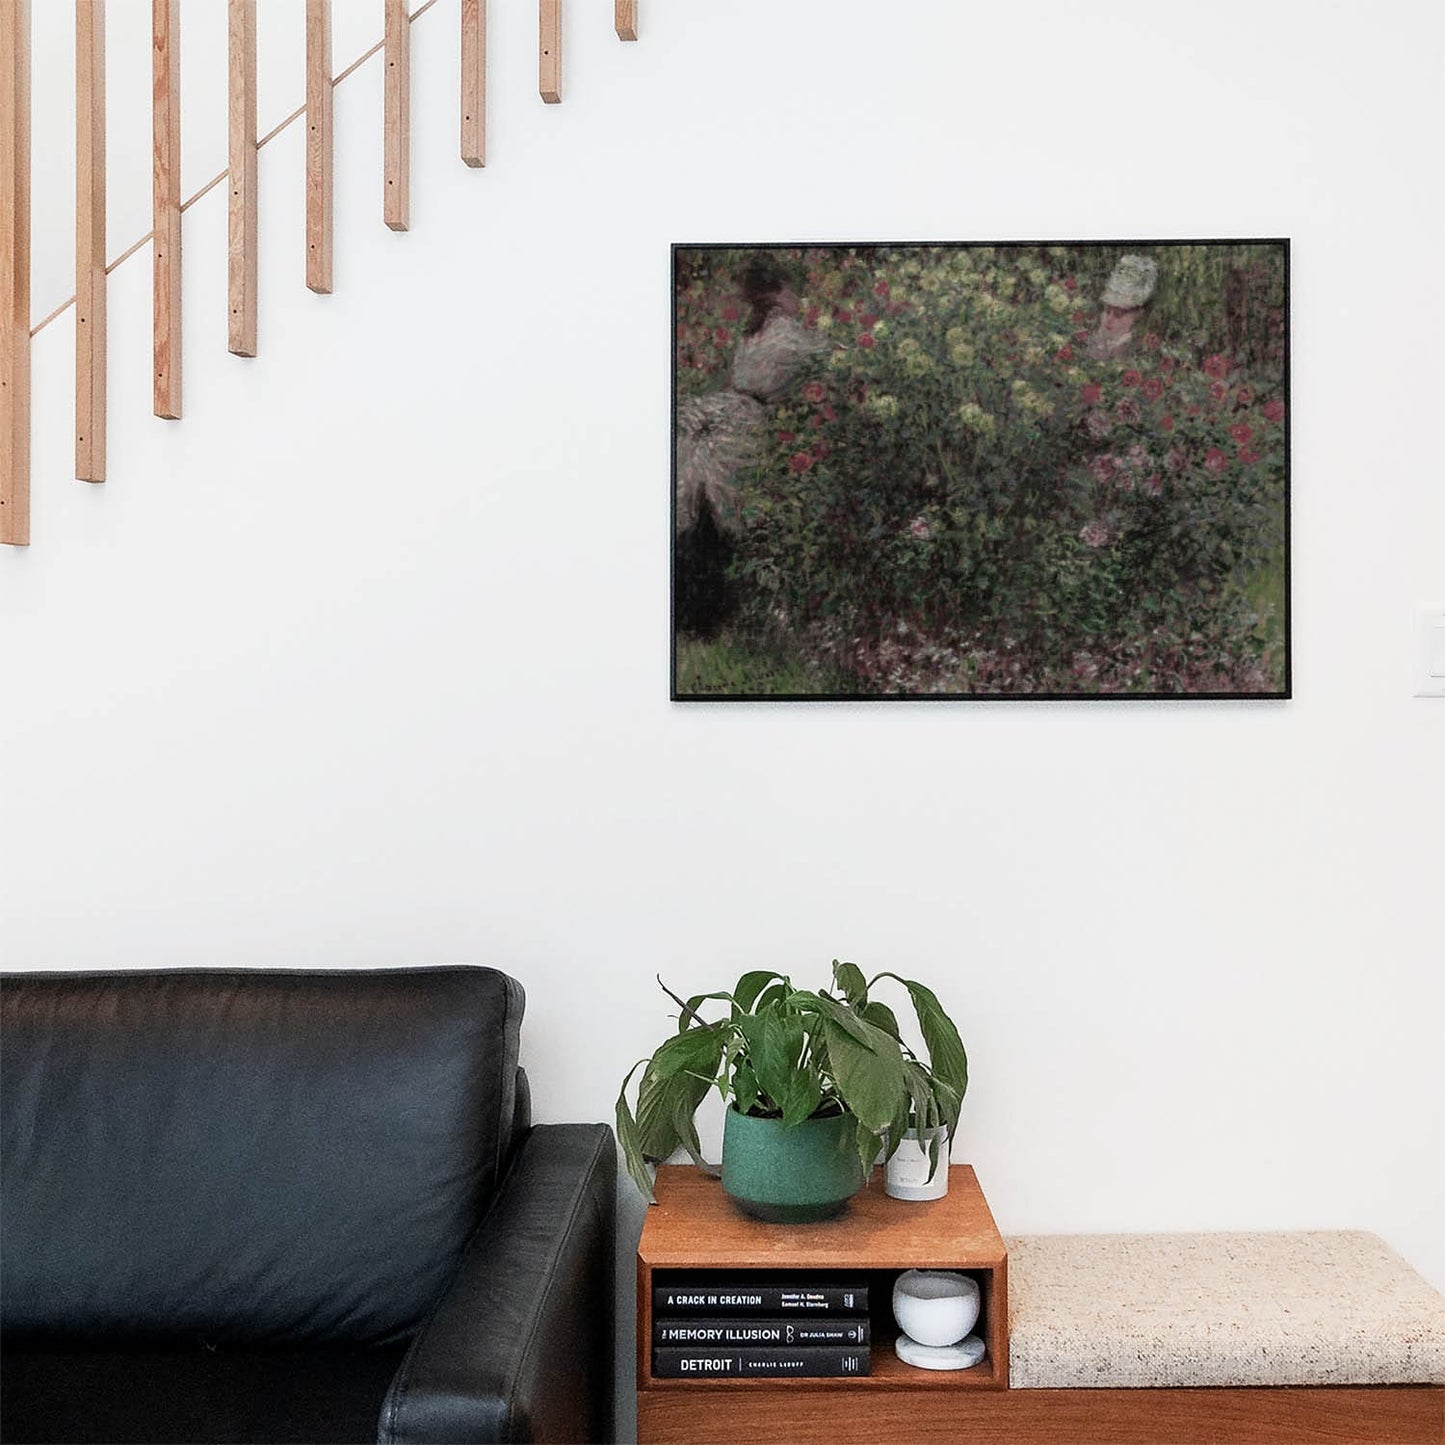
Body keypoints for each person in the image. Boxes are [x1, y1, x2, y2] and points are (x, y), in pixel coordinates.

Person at [674, 257, 826, 637]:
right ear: (779, 293)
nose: (799, 300)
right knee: (725, 519)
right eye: (793, 292)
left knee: (701, 513)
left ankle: (694, 615)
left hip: (724, 411)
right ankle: (709, 616)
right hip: (743, 423)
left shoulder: (752, 329)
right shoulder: (785, 333)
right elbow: (826, 356)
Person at [1087, 254, 1159, 361]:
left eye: (1118, 314)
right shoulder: (1097, 338)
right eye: (1107, 311)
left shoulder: (1130, 348)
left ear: (1138, 314)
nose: (1109, 319)